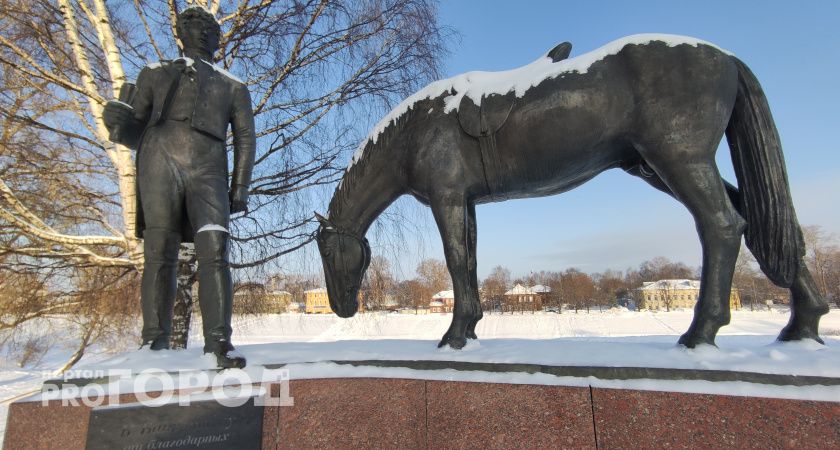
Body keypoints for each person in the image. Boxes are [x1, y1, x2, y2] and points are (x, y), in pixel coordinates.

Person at [103, 6, 255, 369]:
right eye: (194, 26)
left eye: (210, 29)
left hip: (208, 167)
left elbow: (246, 139)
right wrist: (117, 125)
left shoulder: (233, 86)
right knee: (159, 251)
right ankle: (152, 342)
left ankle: (219, 342)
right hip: (159, 161)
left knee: (215, 249)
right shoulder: (154, 75)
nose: (203, 33)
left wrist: (240, 188)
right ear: (180, 33)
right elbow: (133, 130)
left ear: (218, 40)